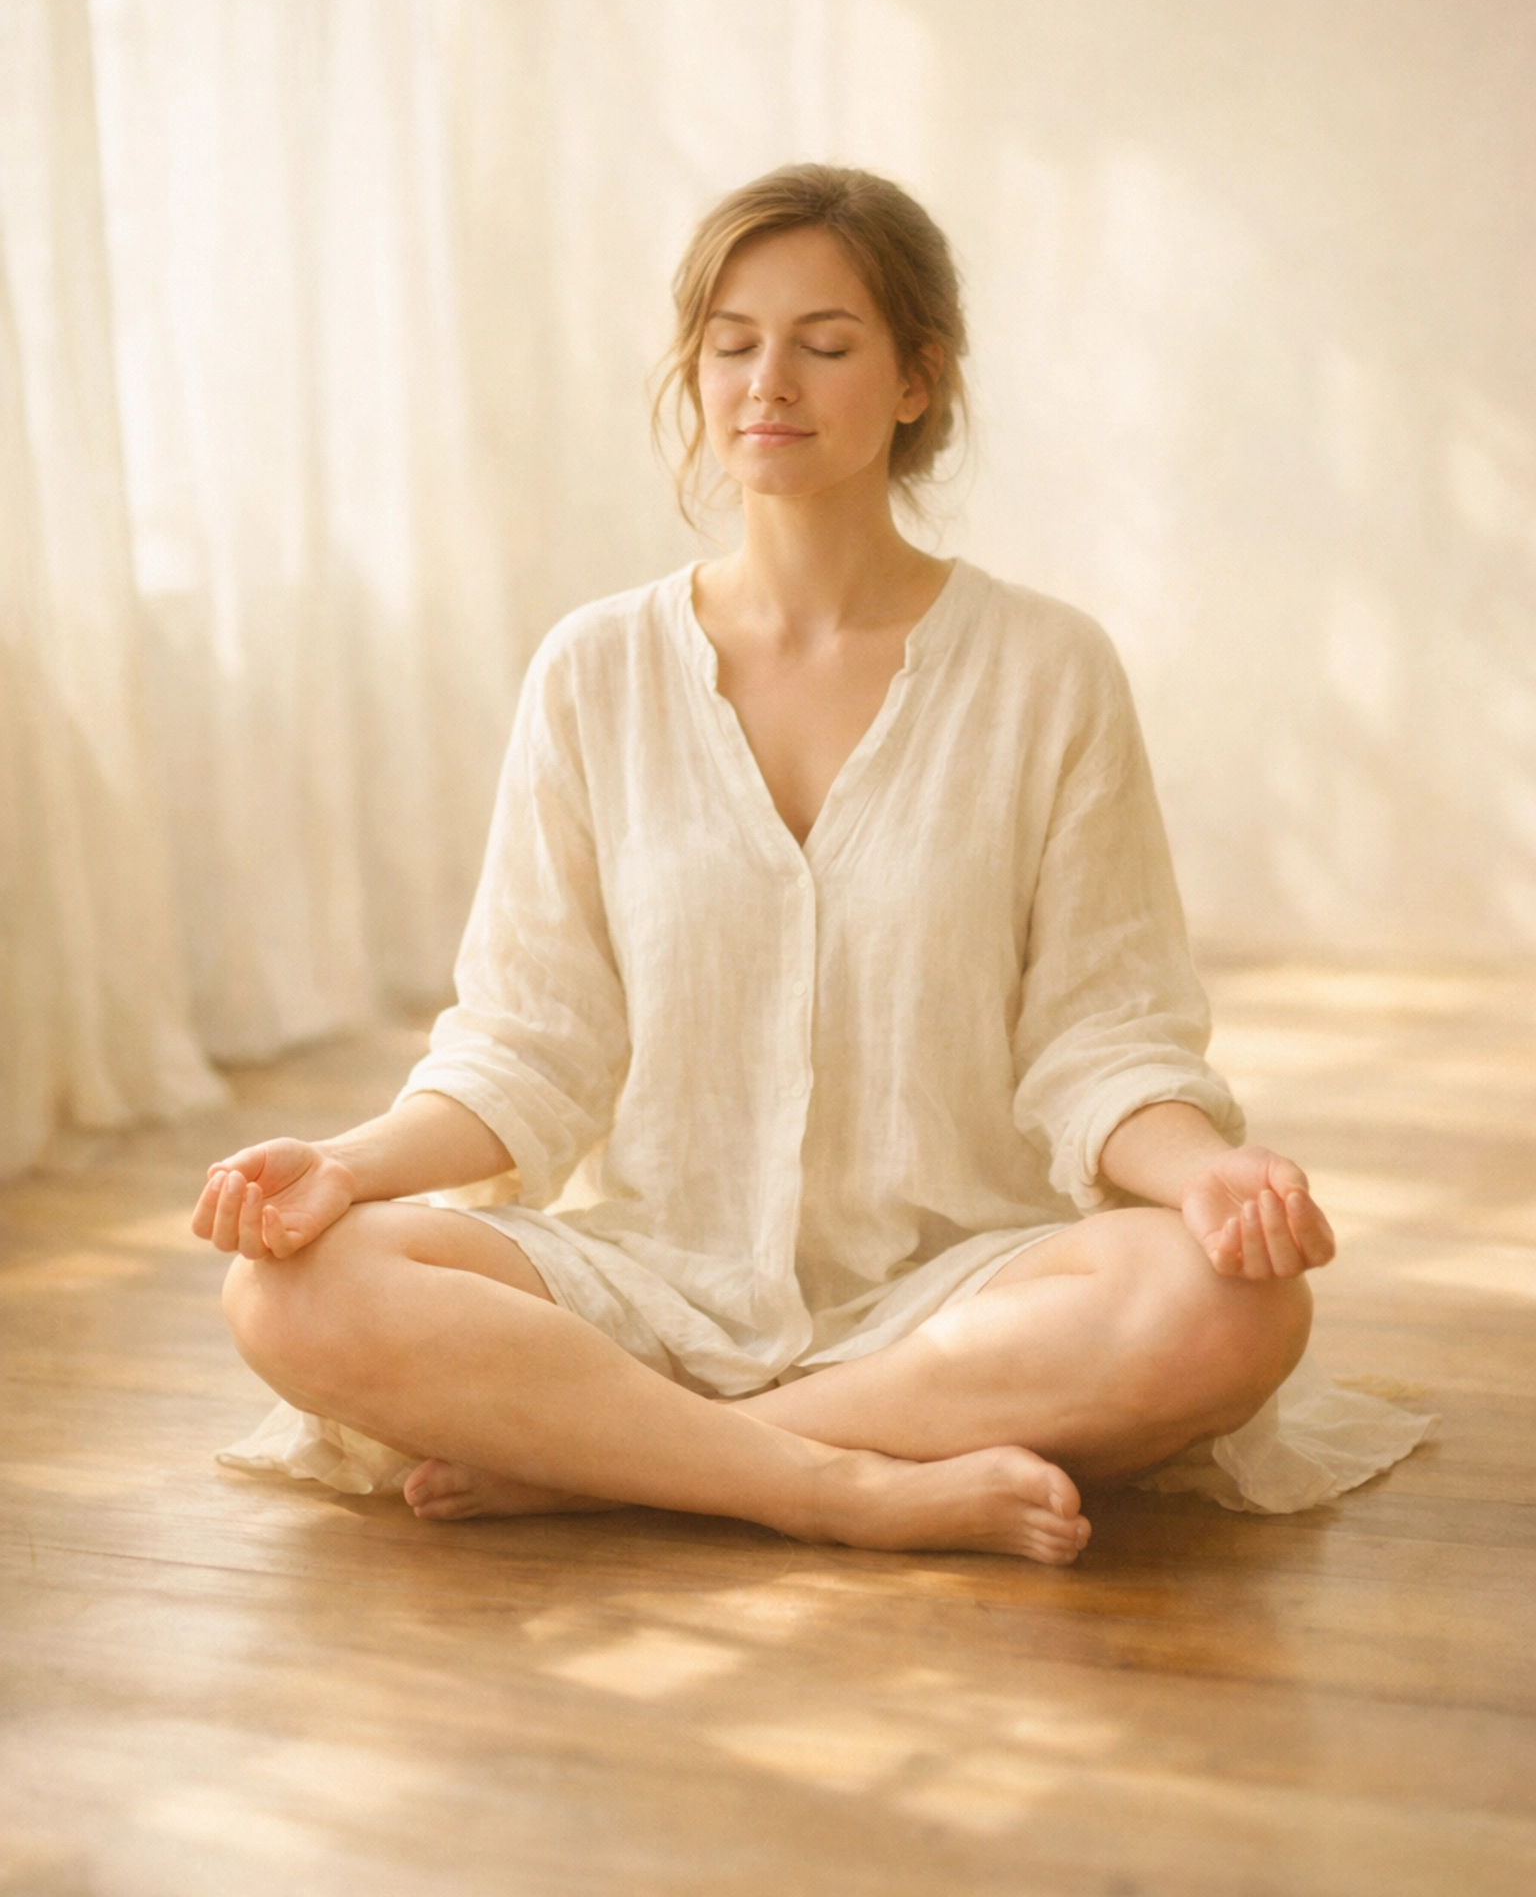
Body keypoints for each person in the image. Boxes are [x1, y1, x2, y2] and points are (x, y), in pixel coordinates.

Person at [195, 163, 1345, 1567]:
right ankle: (831, 1485)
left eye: (826, 342)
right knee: (288, 1290)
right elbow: (532, 1046)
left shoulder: (1048, 671)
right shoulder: (595, 671)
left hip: (952, 1294)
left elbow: (1100, 1032)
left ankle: (622, 1458)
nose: (768, 381)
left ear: (917, 380)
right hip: (649, 1283)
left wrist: (1205, 1174)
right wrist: (345, 1163)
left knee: (1234, 1308)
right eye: (731, 341)